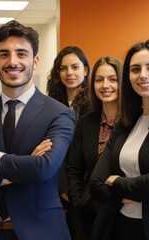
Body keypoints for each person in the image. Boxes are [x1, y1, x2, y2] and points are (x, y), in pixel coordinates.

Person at [0, 20, 75, 240]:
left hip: (40, 231)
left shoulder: (59, 113)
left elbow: (43, 169)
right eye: (4, 54)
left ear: (35, 61)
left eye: (21, 53)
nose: (12, 62)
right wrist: (22, 168)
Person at [89, 39, 149, 240]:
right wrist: (133, 195)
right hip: (118, 225)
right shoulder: (125, 122)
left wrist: (116, 182)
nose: (142, 75)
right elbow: (95, 184)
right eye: (135, 69)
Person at [66, 56, 122, 240]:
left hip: (122, 211)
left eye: (113, 79)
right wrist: (77, 202)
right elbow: (74, 168)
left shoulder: (133, 122)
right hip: (88, 210)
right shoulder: (86, 122)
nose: (105, 85)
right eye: (99, 80)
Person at [46, 46, 90, 236]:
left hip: (85, 189)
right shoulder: (51, 106)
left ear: (85, 70)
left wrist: (76, 191)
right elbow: (50, 148)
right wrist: (62, 187)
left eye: (75, 67)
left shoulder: (94, 107)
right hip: (58, 187)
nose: (69, 73)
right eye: (63, 68)